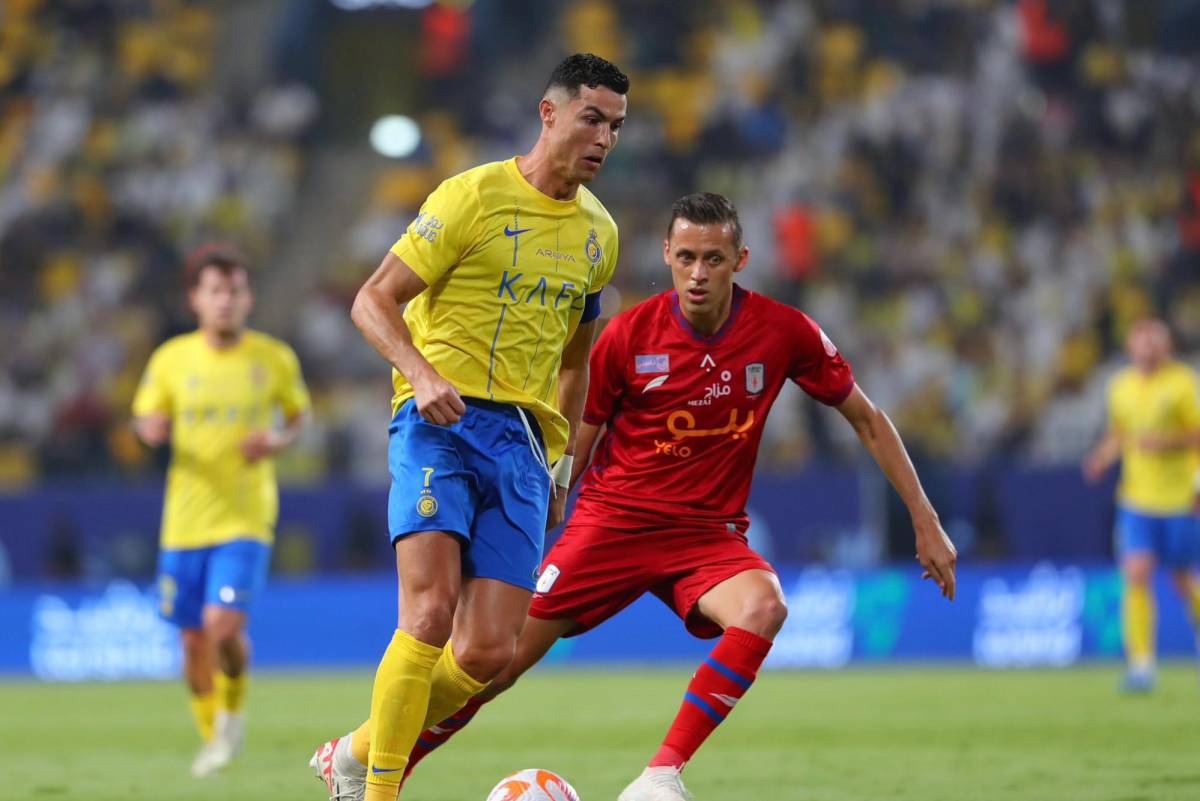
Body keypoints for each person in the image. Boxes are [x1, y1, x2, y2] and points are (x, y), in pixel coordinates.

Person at [321, 192, 958, 801]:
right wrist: (551, 502)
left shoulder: (782, 332)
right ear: (666, 257)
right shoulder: (628, 336)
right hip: (610, 525)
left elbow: (869, 418)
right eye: (686, 258)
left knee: (764, 607)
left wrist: (924, 520)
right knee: (492, 663)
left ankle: (660, 775)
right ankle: (371, 759)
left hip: (706, 535)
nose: (699, 273)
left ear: (741, 261)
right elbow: (580, 436)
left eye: (713, 259)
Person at [309, 53, 629, 801]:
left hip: (522, 443)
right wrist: (421, 376)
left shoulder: (600, 236)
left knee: (487, 651)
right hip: (437, 426)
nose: (605, 139)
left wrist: (563, 465)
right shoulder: (471, 196)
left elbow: (575, 366)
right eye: (592, 119)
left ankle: (354, 751)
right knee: (427, 612)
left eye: (616, 126)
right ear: (548, 113)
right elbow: (372, 300)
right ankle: (378, 793)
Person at [132, 244, 310, 776]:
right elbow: (144, 418)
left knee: (222, 626)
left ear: (247, 297)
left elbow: (298, 419)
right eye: (215, 292)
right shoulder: (171, 359)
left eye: (235, 291)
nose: (226, 301)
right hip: (184, 522)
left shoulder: (273, 358)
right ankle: (214, 735)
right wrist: (150, 430)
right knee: (192, 641)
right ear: (196, 300)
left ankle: (230, 721)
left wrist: (276, 442)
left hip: (244, 517)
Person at [1083, 318, 1200, 692]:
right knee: (1136, 571)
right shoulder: (1121, 387)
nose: (1147, 349)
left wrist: (1165, 443)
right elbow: (1120, 433)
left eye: (1154, 342)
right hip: (1136, 498)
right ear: (1131, 348)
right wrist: (1102, 457)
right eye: (1141, 342)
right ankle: (1142, 664)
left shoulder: (1182, 383)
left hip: (1180, 498)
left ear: (1165, 347)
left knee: (1184, 581)